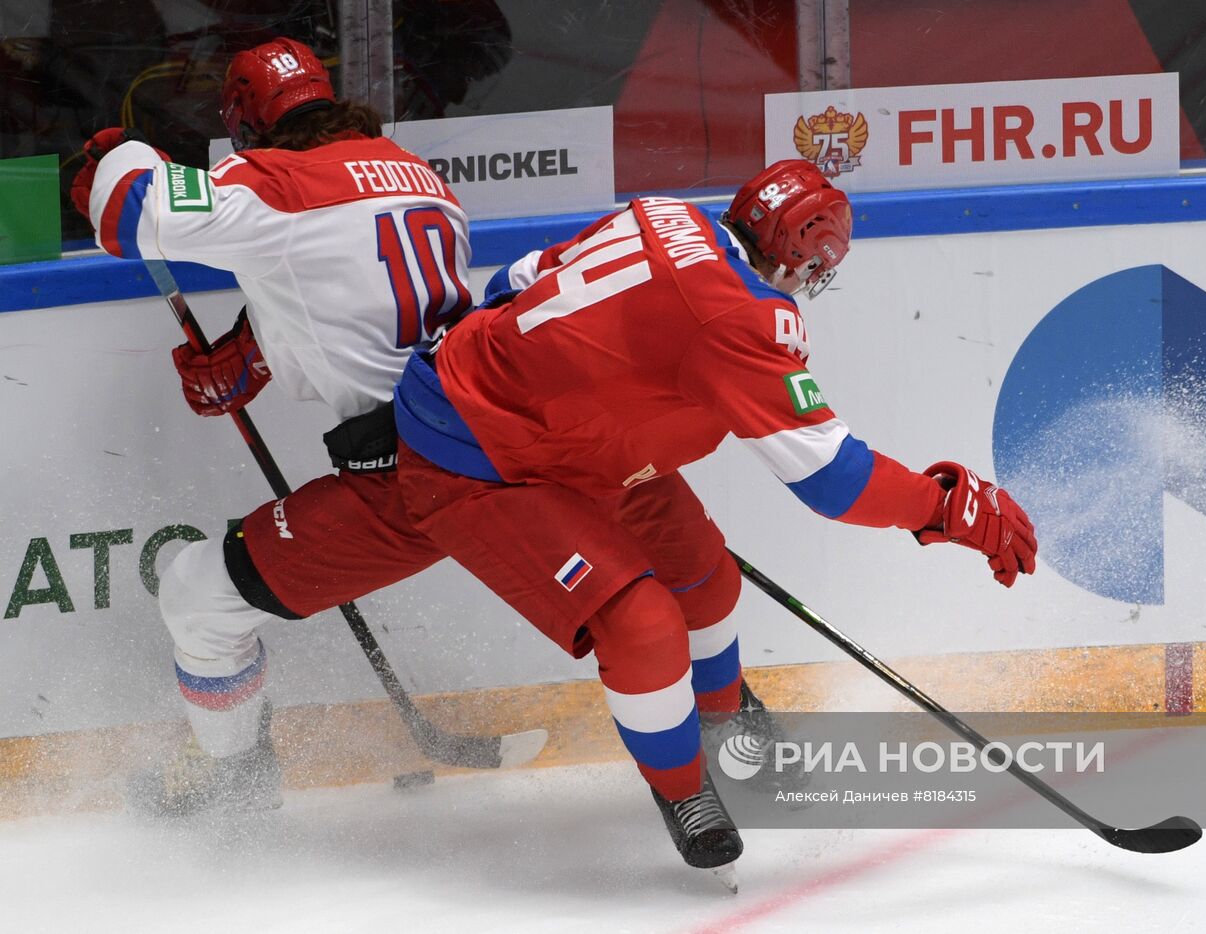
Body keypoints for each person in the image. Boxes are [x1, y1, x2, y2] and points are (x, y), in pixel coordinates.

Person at [391, 159, 1038, 886]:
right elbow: (834, 479)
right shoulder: (736, 317)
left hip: (573, 438)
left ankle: (725, 716)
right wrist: (948, 504)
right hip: (479, 456)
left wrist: (570, 375)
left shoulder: (666, 208)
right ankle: (683, 787)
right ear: (801, 252)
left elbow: (515, 278)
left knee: (705, 576)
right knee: (644, 626)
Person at [69, 37, 499, 815]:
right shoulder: (418, 177)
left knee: (197, 595)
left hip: (414, 481)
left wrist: (119, 153)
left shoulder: (273, 181)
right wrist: (251, 350)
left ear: (243, 121)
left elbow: (129, 211)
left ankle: (236, 781)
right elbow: (348, 282)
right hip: (492, 442)